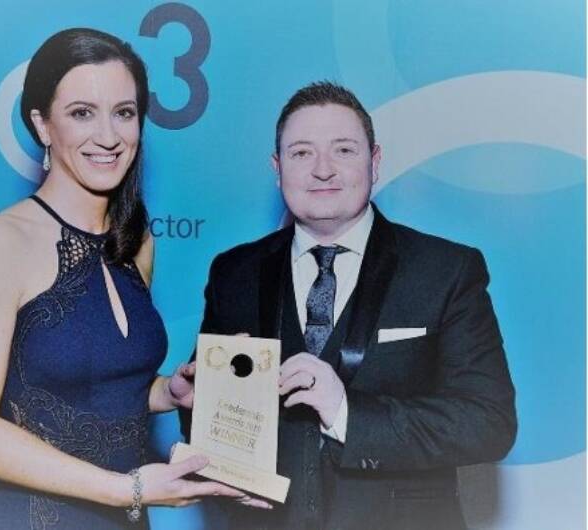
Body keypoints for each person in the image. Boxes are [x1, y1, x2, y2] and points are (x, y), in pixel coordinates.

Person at [0, 28, 245, 530]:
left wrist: (167, 393)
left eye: (124, 113)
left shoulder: (136, 242)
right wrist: (128, 490)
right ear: (42, 124)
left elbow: (98, 390)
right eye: (82, 113)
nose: (108, 136)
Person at [180, 81, 517, 530]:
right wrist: (196, 407)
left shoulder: (446, 270)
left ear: (374, 162)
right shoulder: (233, 272)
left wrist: (346, 414)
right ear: (277, 168)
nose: (323, 170)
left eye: (343, 150)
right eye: (301, 153)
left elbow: (489, 424)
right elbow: (212, 419)